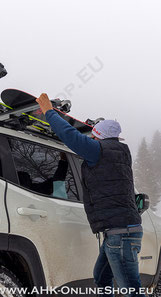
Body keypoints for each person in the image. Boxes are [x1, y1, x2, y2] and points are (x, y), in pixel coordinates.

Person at [36, 93, 144, 297]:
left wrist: (49, 111)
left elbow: (70, 136)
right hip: (120, 232)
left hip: (120, 234)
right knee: (102, 277)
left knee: (131, 289)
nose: (92, 139)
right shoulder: (119, 152)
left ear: (99, 137)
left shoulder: (99, 151)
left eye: (94, 135)